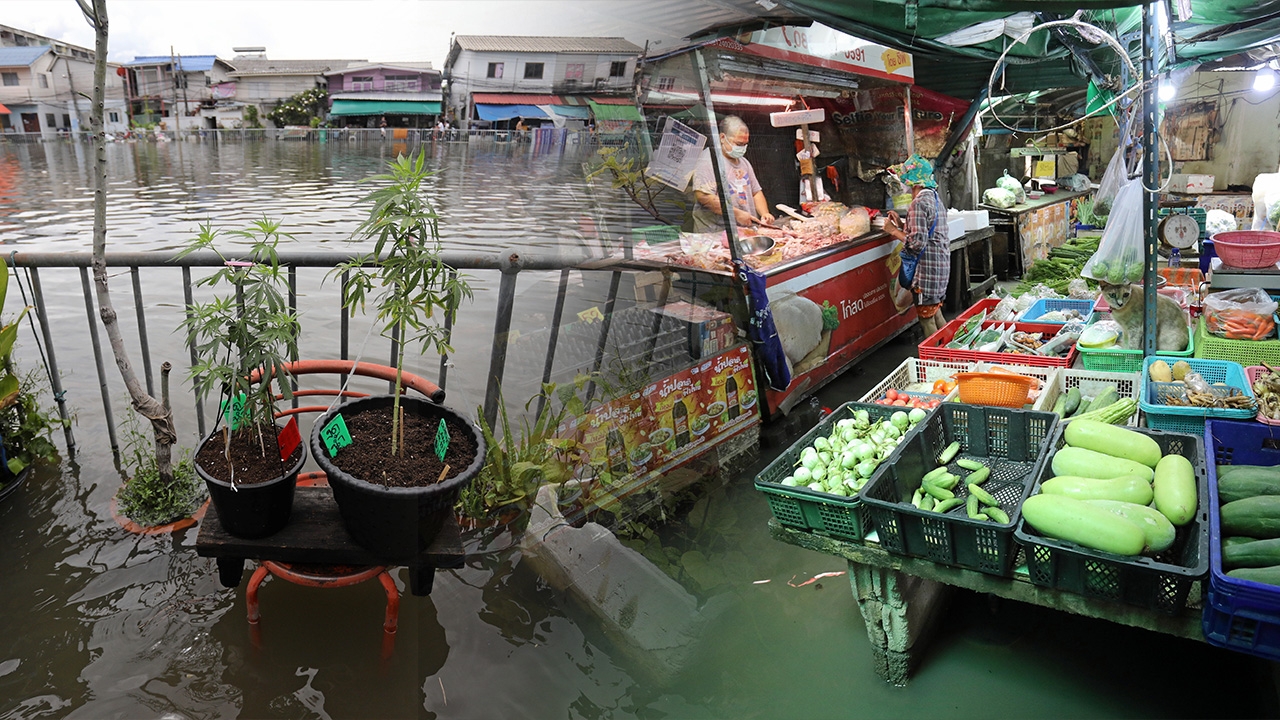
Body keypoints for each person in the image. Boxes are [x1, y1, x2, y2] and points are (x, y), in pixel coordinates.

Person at [883, 153, 950, 335]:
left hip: (926, 273)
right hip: (938, 269)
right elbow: (924, 230)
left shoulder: (918, 203)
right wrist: (902, 224)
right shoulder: (934, 198)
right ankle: (954, 355)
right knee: (936, 315)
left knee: (926, 319)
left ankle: (935, 361)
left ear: (914, 182)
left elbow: (916, 243)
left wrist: (892, 230)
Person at [690, 115, 775, 233]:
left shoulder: (744, 162)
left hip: (743, 232)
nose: (742, 148)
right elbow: (703, 196)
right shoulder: (709, 159)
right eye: (739, 144)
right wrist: (736, 213)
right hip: (715, 235)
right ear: (722, 138)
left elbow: (756, 192)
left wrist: (765, 213)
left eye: (745, 144)